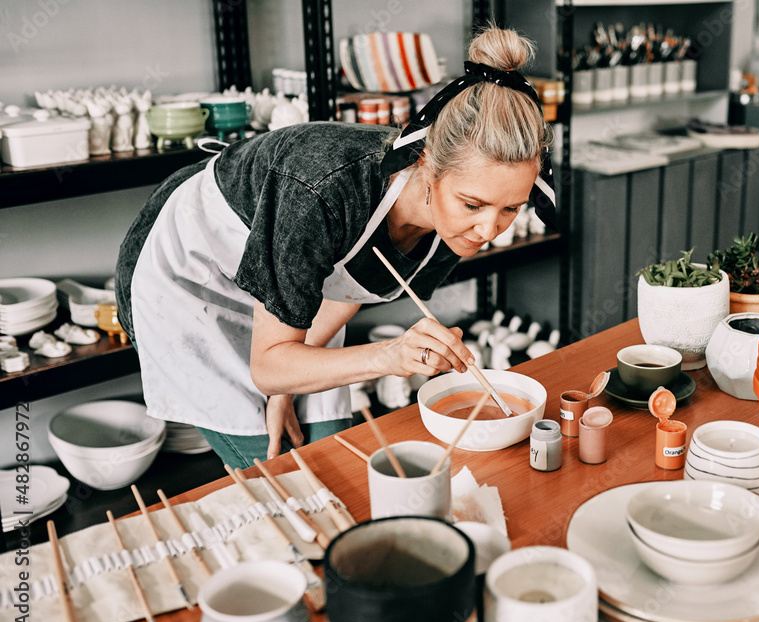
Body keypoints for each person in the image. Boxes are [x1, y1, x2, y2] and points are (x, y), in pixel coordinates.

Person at [114, 27, 555, 469]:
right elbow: (267, 366)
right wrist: (387, 355)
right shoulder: (323, 189)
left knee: (333, 450)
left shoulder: (456, 227)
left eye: (511, 208)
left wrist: (287, 388)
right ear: (426, 163)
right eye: (473, 204)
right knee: (273, 464)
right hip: (192, 274)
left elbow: (347, 290)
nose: (488, 229)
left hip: (288, 292)